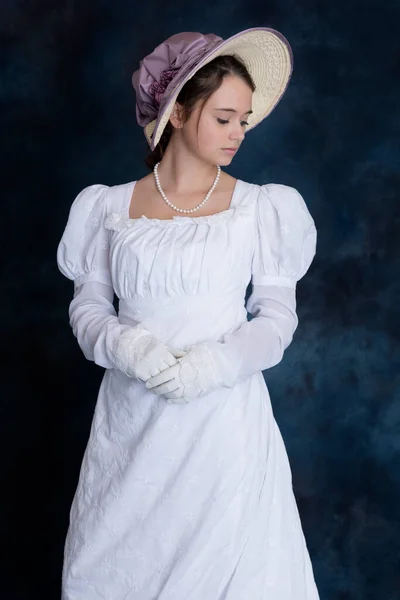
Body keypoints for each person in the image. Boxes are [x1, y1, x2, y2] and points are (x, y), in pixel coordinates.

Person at [57, 28, 319, 600]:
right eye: (224, 118)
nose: (237, 134)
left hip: (224, 428)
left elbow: (276, 320)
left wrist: (212, 366)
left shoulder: (262, 208)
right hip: (132, 429)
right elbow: (89, 306)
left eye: (244, 121)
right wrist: (128, 347)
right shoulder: (106, 206)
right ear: (176, 113)